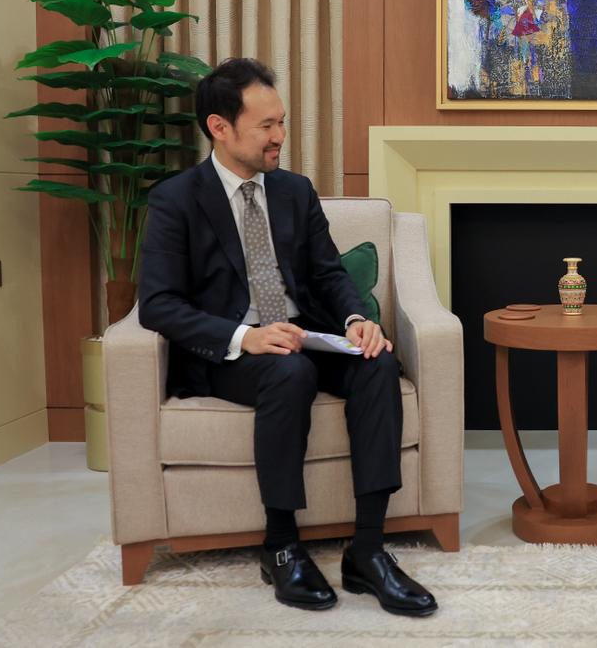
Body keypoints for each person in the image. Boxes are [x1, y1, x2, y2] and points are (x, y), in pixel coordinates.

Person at [138, 58, 437, 616]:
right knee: (287, 370)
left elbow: (328, 275)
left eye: (282, 122)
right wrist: (243, 337)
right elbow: (158, 304)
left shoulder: (295, 192)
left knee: (376, 362)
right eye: (266, 126)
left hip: (305, 334)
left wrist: (355, 320)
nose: (280, 136)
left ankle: (368, 550)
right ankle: (280, 545)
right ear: (219, 128)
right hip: (234, 354)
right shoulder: (176, 200)